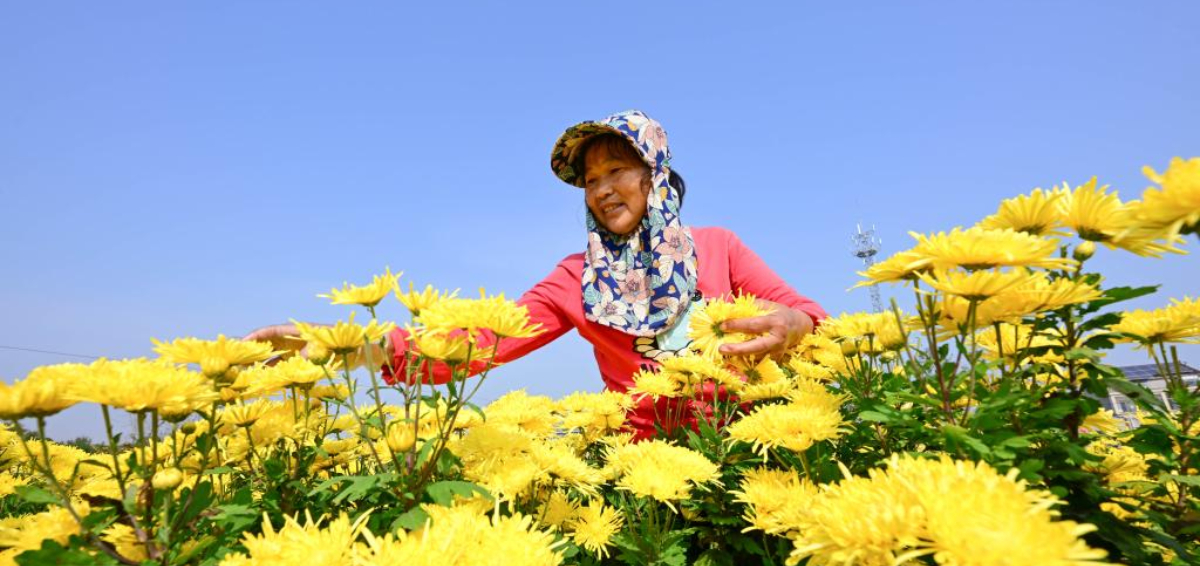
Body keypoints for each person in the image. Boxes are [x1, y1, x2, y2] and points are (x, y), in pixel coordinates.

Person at [247, 110, 827, 437]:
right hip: (645, 461)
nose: (601, 189)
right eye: (589, 179)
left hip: (749, 446)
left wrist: (794, 324)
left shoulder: (718, 248)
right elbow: (482, 341)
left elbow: (809, 316)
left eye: (617, 170)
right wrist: (339, 346)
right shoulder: (578, 277)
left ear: (654, 175)